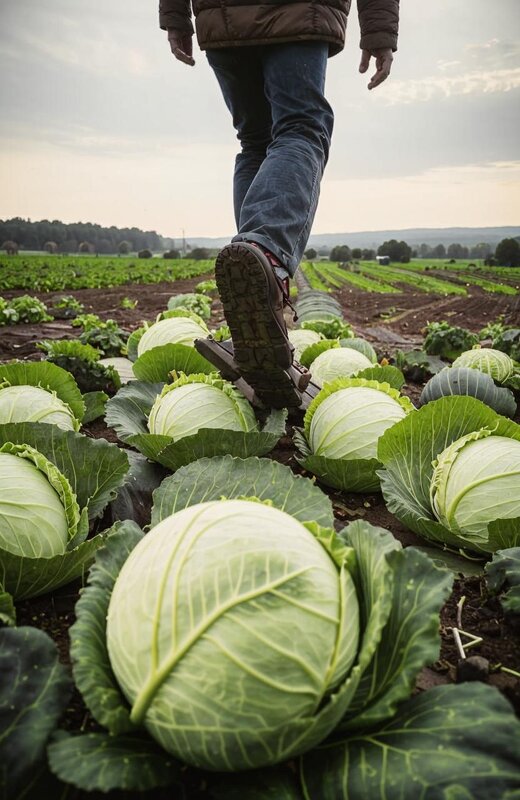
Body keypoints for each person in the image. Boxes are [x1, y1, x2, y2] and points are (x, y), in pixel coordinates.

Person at [159, 0, 400, 408]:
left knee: (254, 141)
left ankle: (255, 303)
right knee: (301, 127)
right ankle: (267, 257)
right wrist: (379, 31)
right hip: (297, 10)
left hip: (220, 16)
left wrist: (176, 17)